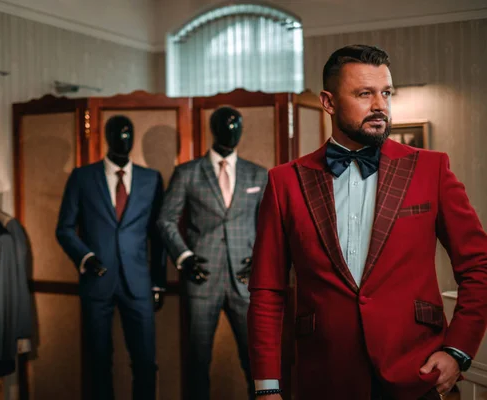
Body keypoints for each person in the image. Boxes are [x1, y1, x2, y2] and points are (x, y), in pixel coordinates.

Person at [247, 44, 487, 400]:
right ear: (328, 102)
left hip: (419, 374)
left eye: (386, 93)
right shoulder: (286, 182)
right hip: (325, 377)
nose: (380, 106)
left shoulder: (431, 168)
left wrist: (457, 351)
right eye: (364, 94)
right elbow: (267, 290)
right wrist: (267, 387)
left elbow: (479, 265)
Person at [158, 106, 268, 400]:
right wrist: (184, 257)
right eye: (226, 125)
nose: (233, 130)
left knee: (256, 362)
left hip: (245, 281)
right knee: (197, 361)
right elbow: (165, 220)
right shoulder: (188, 173)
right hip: (201, 278)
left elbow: (270, 227)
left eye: (237, 125)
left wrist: (259, 261)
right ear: (213, 129)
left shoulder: (258, 174)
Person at [56, 115, 166, 400]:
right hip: (97, 280)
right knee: (98, 362)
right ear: (106, 136)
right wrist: (86, 257)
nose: (124, 139)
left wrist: (158, 282)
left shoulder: (151, 179)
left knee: (145, 362)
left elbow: (158, 234)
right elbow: (64, 229)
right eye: (118, 134)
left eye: (129, 134)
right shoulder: (82, 177)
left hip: (138, 283)